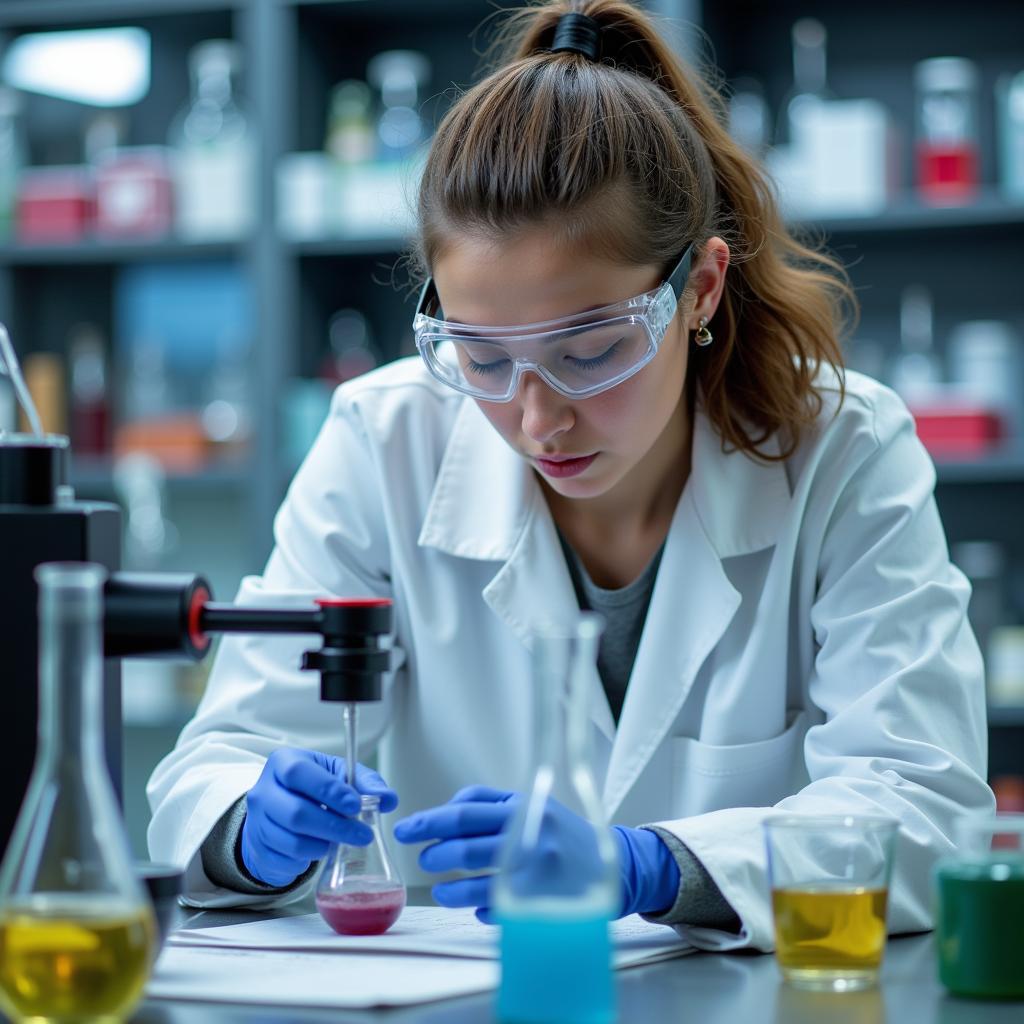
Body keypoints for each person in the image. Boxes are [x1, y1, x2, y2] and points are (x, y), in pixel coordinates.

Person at [147, 0, 993, 952]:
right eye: (481, 356)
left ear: (700, 287)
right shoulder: (383, 441)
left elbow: (922, 805)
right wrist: (255, 834)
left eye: (590, 351)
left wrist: (652, 865)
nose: (537, 417)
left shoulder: (843, 450)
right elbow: (214, 763)